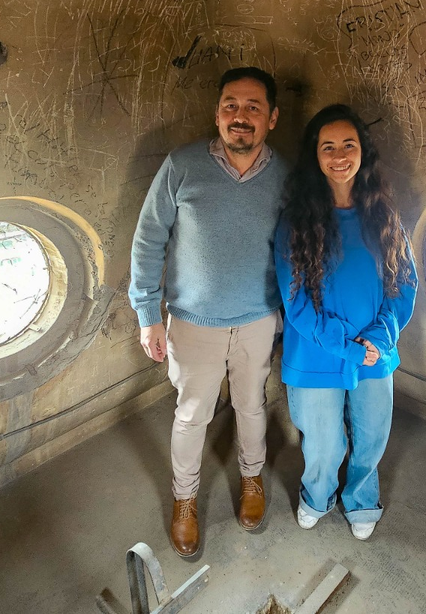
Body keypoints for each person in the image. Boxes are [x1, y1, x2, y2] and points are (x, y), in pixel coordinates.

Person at [129, 67, 287, 557]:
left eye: (253, 108)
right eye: (230, 106)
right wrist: (147, 313)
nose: (240, 117)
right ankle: (185, 500)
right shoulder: (182, 165)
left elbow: (298, 247)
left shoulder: (286, 175)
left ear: (272, 118)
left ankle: (252, 479)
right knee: (191, 413)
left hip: (258, 317)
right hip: (193, 320)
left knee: (251, 404)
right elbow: (148, 239)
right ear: (218, 113)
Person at [274, 104, 417, 541]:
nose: (339, 155)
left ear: (362, 153)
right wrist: (346, 346)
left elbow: (404, 284)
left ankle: (361, 499)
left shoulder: (384, 216)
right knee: (323, 442)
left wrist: (379, 337)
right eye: (328, 146)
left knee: (372, 434)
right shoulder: (295, 221)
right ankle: (317, 495)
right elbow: (294, 301)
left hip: (375, 352)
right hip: (316, 354)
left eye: (348, 145)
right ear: (315, 156)